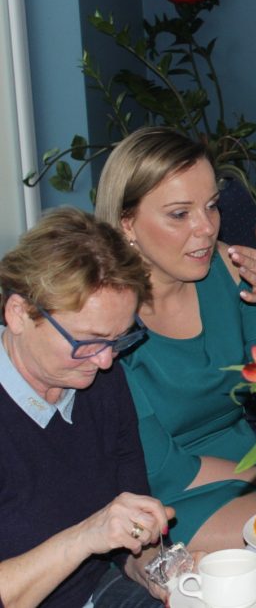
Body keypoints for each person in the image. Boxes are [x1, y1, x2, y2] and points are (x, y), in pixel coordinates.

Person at [95, 127, 256, 551]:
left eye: (211, 206)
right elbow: (163, 467)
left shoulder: (227, 270)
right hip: (162, 499)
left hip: (250, 468)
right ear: (127, 223)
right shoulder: (107, 316)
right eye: (179, 214)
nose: (206, 228)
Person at [0, 207, 173, 607]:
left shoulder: (100, 382)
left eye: (118, 339)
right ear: (19, 313)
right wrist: (86, 536)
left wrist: (163, 571)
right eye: (88, 341)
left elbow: (130, 537)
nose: (106, 361)